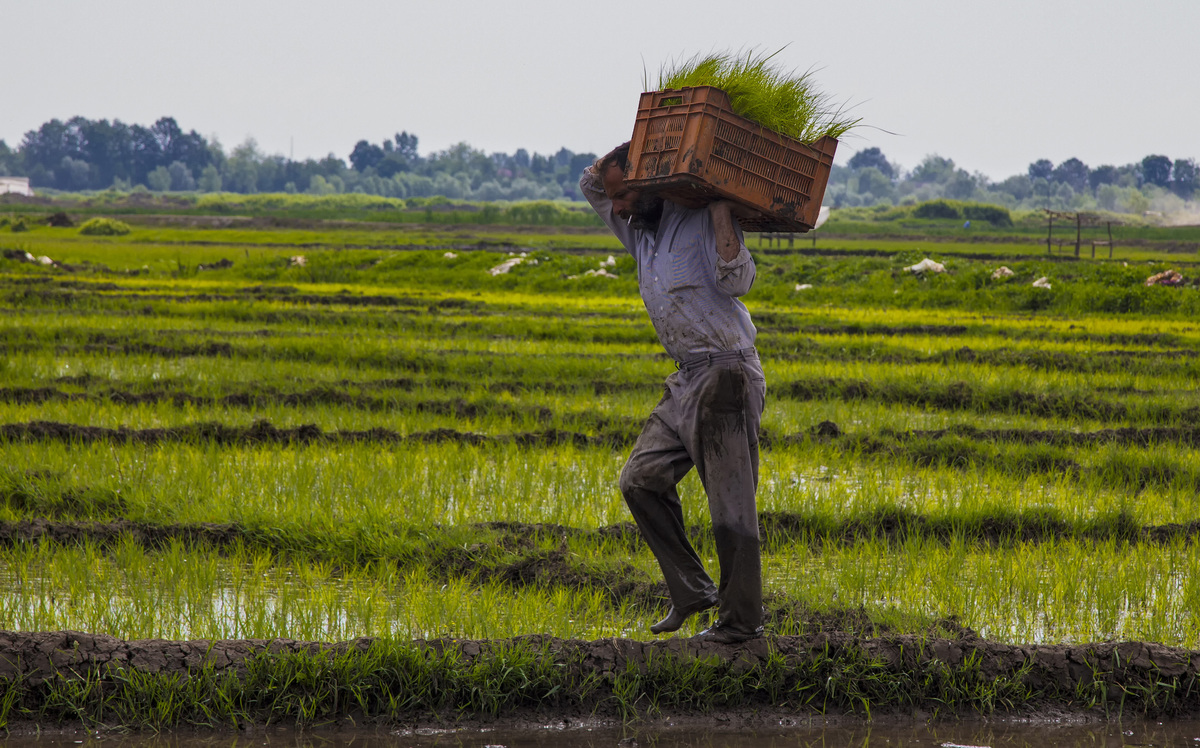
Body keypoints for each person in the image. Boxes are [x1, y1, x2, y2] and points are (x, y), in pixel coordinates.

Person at [579, 142, 766, 644]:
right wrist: (640, 153)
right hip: (685, 377)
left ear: (648, 186)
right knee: (640, 480)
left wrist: (723, 211)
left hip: (727, 371)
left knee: (730, 503)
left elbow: (740, 281)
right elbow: (591, 186)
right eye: (615, 197)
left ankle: (741, 624)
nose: (614, 206)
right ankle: (691, 591)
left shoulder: (701, 218)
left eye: (623, 195)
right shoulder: (639, 232)